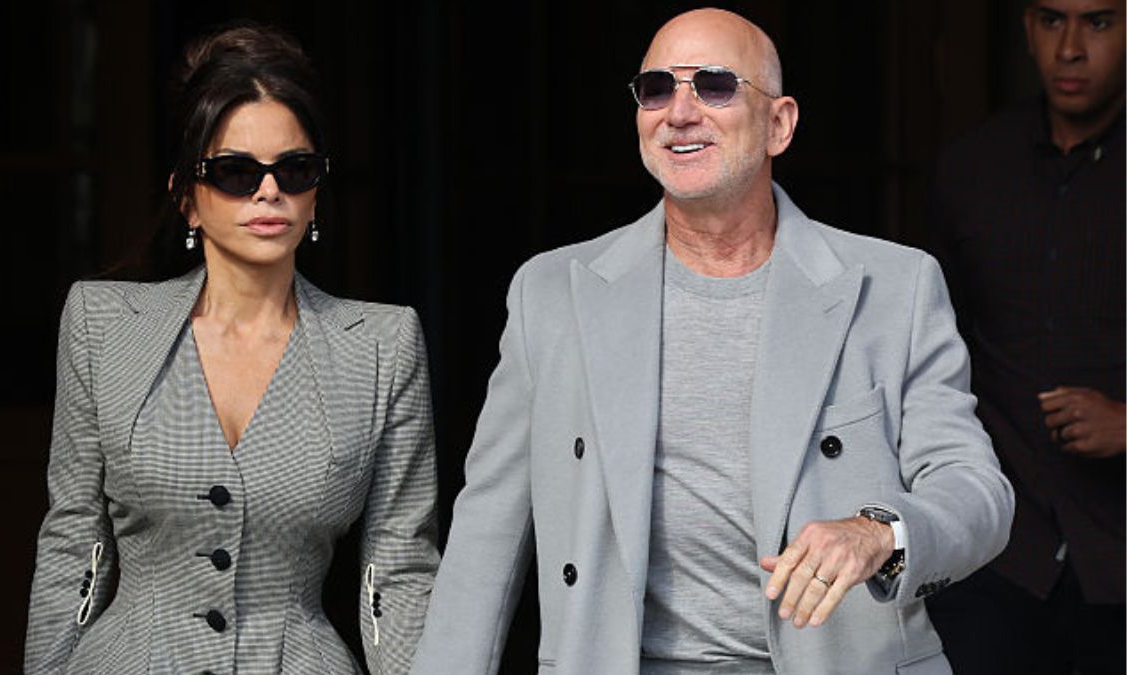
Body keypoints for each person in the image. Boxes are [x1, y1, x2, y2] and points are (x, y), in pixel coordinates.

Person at [410, 8, 1013, 675]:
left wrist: (878, 532)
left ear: (779, 123)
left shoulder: (896, 287)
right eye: (656, 89)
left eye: (715, 85)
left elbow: (975, 491)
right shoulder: (552, 294)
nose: (679, 112)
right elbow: (488, 527)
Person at [24, 25, 439, 674]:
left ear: (315, 195)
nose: (269, 192)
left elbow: (398, 566)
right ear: (186, 198)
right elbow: (74, 540)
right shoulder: (101, 325)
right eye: (236, 173)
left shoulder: (384, 346)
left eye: (294, 170)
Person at [925, 0, 1125, 673]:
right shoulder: (970, 168)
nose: (1070, 48)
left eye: (1099, 22)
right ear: (1027, 30)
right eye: (1051, 20)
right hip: (999, 556)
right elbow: (927, 355)